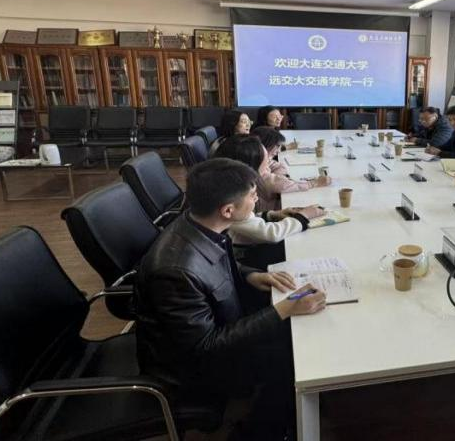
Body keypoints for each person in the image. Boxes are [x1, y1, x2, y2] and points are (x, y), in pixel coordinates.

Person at [135, 158, 326, 441]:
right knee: (292, 356)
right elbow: (206, 347)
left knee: (295, 333)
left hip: (214, 323)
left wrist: (250, 275)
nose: (257, 200)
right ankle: (258, 432)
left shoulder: (198, 224)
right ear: (227, 210)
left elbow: (216, 264)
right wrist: (283, 309)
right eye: (252, 196)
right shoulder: (174, 272)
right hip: (187, 370)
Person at [215, 134, 331, 211]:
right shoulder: (241, 196)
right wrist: (313, 183)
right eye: (266, 160)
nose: (268, 163)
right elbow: (260, 229)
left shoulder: (239, 177)